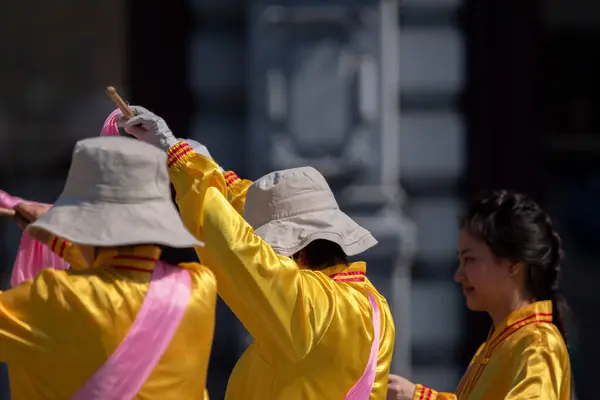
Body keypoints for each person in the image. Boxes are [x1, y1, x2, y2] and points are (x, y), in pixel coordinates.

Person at [117, 106, 396, 399]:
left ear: (295, 249)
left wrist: (181, 160)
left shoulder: (312, 305)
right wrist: (202, 167)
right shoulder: (370, 301)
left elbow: (237, 247)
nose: (270, 253)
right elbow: (252, 224)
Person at [3, 137, 217, 399]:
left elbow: (104, 284)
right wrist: (63, 240)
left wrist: (64, 237)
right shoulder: (198, 286)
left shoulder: (59, 297)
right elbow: (120, 280)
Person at [386, 190, 571, 400]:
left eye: (470, 260)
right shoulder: (500, 344)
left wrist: (421, 397)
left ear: (512, 264)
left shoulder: (536, 345)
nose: (459, 275)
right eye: (461, 261)